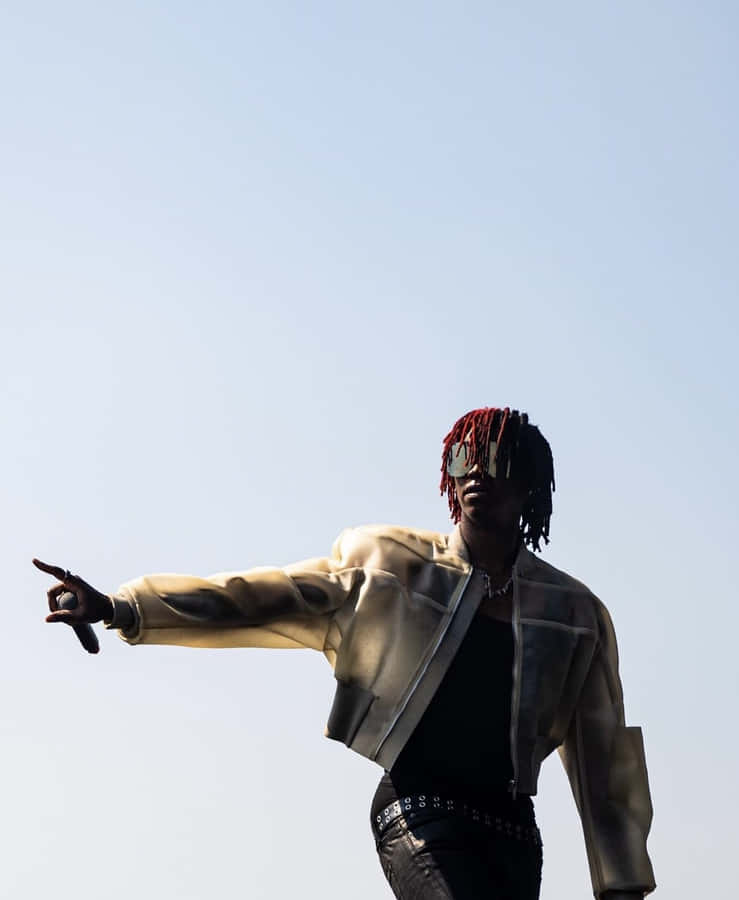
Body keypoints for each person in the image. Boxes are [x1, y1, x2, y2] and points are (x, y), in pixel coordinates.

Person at [35, 407, 655, 899]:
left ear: (529, 485)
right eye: (465, 457)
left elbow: (603, 758)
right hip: (418, 811)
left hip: (513, 831)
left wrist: (621, 882)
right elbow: (257, 596)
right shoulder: (391, 569)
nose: (477, 473)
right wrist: (121, 607)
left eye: (496, 459)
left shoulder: (573, 615)